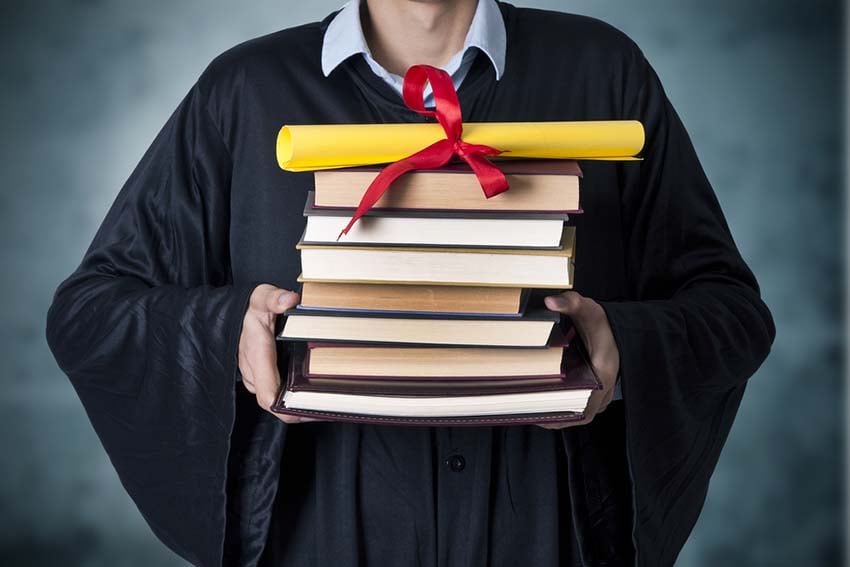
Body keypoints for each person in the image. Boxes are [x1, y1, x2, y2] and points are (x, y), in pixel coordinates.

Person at [45, 0, 775, 565]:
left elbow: (732, 311)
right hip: (322, 530)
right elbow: (90, 311)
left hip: (543, 532)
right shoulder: (246, 94)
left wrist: (622, 345)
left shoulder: (603, 75)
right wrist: (228, 331)